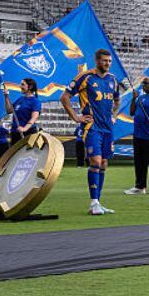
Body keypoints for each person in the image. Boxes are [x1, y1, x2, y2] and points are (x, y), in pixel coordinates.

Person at [62, 50, 121, 215]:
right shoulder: (85, 77)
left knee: (103, 163)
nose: (108, 64)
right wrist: (75, 117)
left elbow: (117, 100)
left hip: (107, 128)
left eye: (109, 61)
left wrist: (113, 116)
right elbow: (64, 97)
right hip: (91, 126)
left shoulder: (112, 80)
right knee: (95, 161)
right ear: (97, 61)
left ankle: (98, 202)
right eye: (104, 61)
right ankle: (93, 202)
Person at [125, 74, 149, 195]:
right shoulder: (140, 98)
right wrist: (133, 99)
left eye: (145, 83)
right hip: (138, 135)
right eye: (143, 83)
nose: (143, 86)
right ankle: (140, 186)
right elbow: (131, 112)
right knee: (139, 162)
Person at [10, 77, 42, 143]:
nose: (20, 86)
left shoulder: (35, 101)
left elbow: (34, 117)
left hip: (28, 133)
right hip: (15, 132)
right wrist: (6, 97)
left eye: (22, 84)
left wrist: (25, 129)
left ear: (30, 87)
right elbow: (9, 110)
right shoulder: (20, 99)